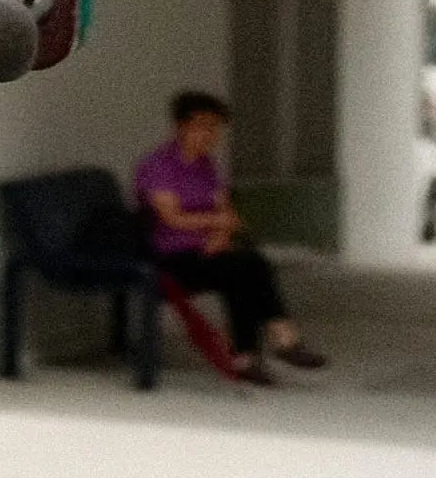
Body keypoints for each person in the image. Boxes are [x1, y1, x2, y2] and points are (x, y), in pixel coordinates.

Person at [134, 89, 330, 379]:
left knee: (243, 268)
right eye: (204, 127)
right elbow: (173, 219)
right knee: (248, 266)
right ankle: (279, 339)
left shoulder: (208, 167)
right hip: (170, 257)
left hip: (207, 251)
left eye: (216, 128)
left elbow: (230, 215)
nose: (211, 135)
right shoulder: (158, 166)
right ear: (181, 126)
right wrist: (216, 223)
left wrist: (219, 237)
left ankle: (250, 356)